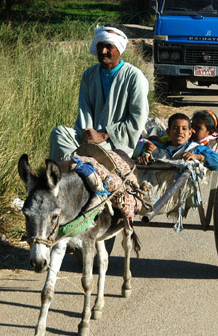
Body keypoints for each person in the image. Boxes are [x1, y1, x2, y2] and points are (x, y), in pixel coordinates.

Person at [49, 25, 150, 211]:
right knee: (59, 133)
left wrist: (104, 135)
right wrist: (87, 134)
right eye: (100, 45)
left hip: (117, 143)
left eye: (108, 46)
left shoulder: (134, 77)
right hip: (88, 141)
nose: (103, 51)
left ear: (119, 48)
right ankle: (61, 183)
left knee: (88, 152)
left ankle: (80, 171)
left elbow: (137, 120)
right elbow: (84, 110)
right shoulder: (89, 75)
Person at [136, 113, 218, 171]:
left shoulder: (195, 148)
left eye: (184, 129)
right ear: (168, 132)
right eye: (175, 128)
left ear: (190, 133)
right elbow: (134, 150)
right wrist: (145, 152)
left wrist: (199, 157)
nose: (180, 132)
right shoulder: (159, 146)